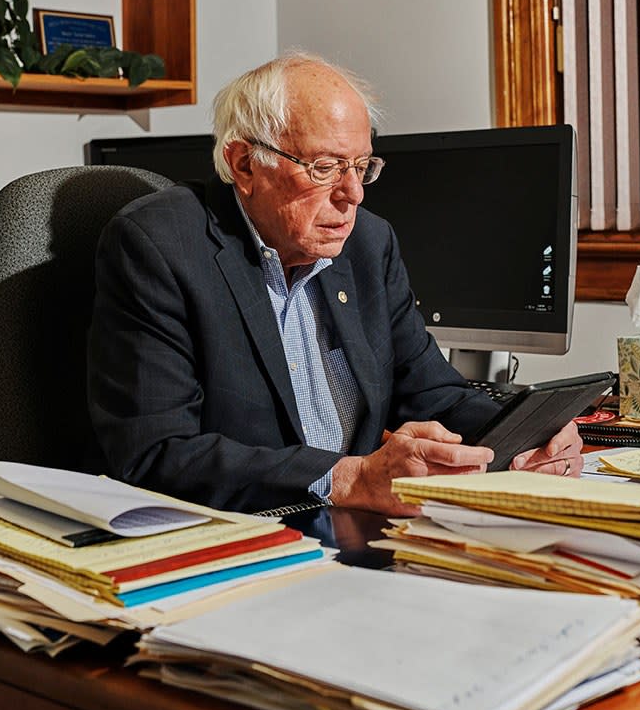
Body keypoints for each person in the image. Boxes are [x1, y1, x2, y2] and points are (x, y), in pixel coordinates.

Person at [87, 53, 583, 516]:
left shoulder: (369, 243)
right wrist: (349, 479)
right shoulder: (160, 246)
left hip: (358, 526)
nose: (352, 194)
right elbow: (156, 453)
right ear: (244, 164)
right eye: (325, 168)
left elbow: (433, 392)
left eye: (362, 166)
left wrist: (530, 432)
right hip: (246, 534)